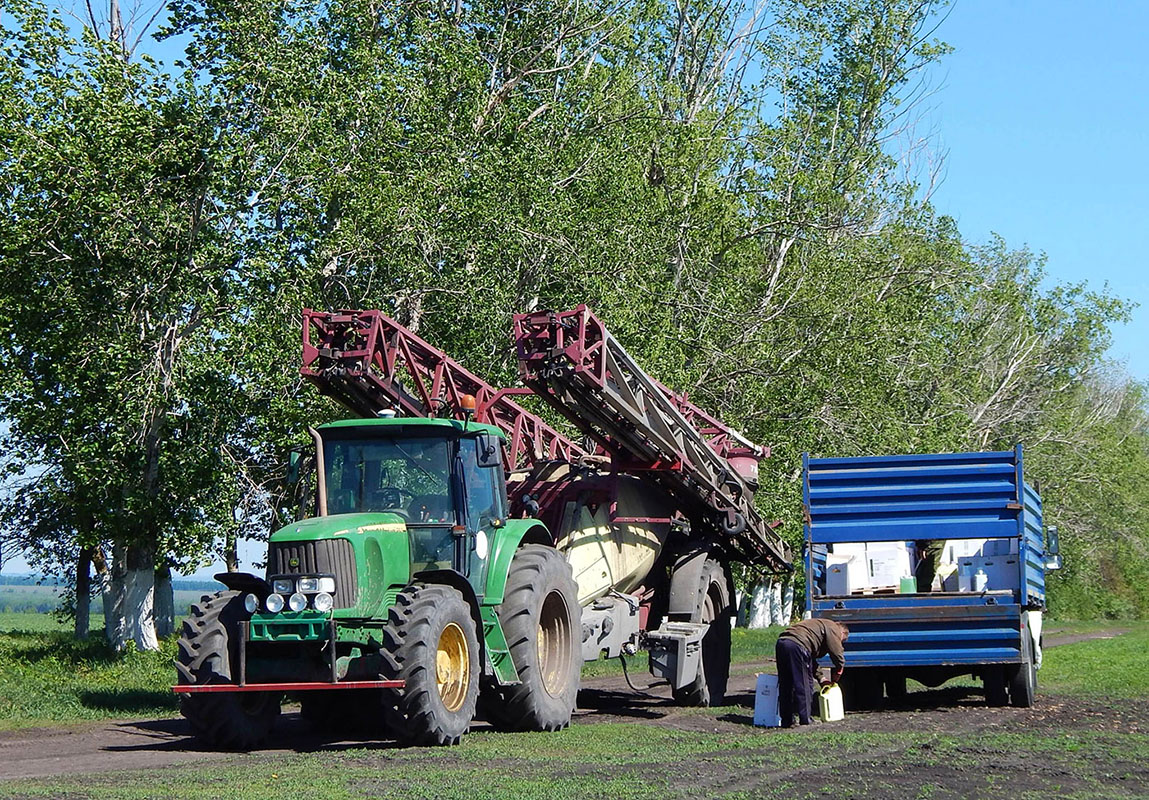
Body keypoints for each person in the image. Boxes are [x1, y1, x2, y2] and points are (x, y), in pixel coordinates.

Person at [774, 618, 848, 727]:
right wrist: (840, 667)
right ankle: (805, 719)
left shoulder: (816, 627)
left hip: (782, 643)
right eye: (842, 640)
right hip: (798, 645)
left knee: (786, 684)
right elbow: (836, 650)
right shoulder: (833, 627)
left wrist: (821, 678)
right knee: (804, 684)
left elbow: (809, 659)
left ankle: (787, 720)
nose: (841, 642)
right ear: (842, 632)